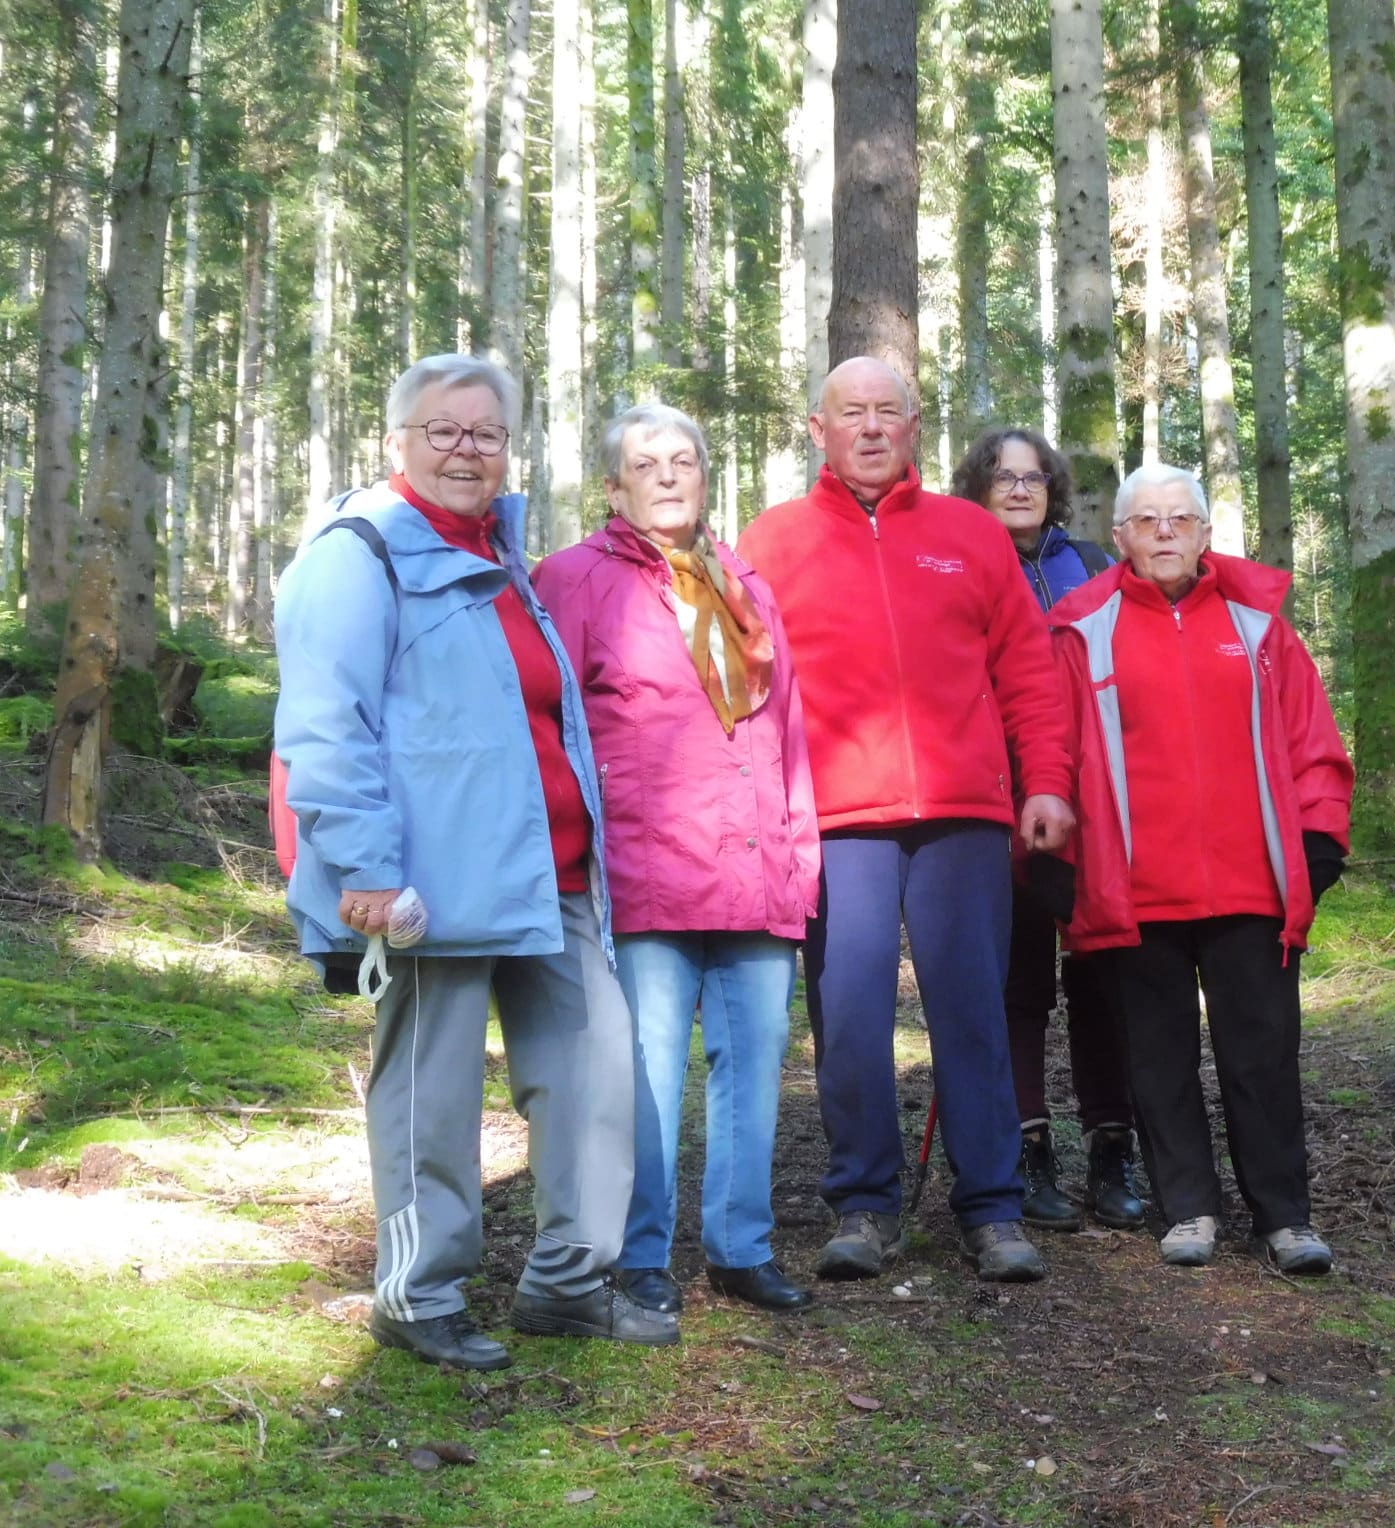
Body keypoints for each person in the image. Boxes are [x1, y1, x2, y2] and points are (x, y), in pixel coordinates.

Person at [273, 354, 677, 1370]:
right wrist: (363, 868)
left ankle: (568, 1282)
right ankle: (418, 1291)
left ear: (509, 448)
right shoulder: (356, 555)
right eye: (444, 431)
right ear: (400, 441)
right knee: (430, 1099)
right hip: (430, 891)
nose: (466, 450)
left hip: (555, 876)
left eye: (485, 434)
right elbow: (326, 729)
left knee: (595, 1079)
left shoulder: (503, 553)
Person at [737, 358, 1076, 1285]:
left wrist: (1044, 783)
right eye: (854, 414)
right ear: (819, 429)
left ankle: (994, 1208)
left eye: (890, 412)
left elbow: (1028, 674)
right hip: (837, 820)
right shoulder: (773, 540)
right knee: (847, 1016)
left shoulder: (971, 535)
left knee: (974, 1008)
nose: (873, 429)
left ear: (917, 425)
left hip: (965, 815)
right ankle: (864, 1204)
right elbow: (744, 692)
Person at [533, 404, 820, 1316]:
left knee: (756, 1062)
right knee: (648, 1069)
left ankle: (741, 1245)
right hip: (644, 874)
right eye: (645, 463)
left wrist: (800, 851)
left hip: (756, 871)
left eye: (683, 460)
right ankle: (641, 1254)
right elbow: (550, 724)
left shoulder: (744, 585)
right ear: (614, 485)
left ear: (705, 476)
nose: (666, 475)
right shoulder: (573, 580)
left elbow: (788, 734)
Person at [1051, 464, 1354, 1274]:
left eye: (1179, 519)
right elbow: (1057, 754)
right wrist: (1055, 858)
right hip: (1135, 888)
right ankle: (1186, 1206)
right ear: (1117, 538)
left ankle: (1285, 1216)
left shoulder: (1260, 628)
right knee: (1158, 1058)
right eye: (1145, 521)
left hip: (1251, 885)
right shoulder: (1084, 630)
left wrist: (1320, 841)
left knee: (1262, 1054)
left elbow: (1312, 743)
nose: (1163, 533)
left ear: (1206, 533)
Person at [949, 427, 1142, 1234]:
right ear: (979, 486)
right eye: (1002, 477)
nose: (1019, 490)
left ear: (1053, 488)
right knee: (1018, 982)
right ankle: (1028, 1148)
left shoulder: (1095, 566)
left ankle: (1112, 1147)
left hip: (1093, 798)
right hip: (1001, 796)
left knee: (1102, 976)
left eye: (1032, 478)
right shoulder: (956, 560)